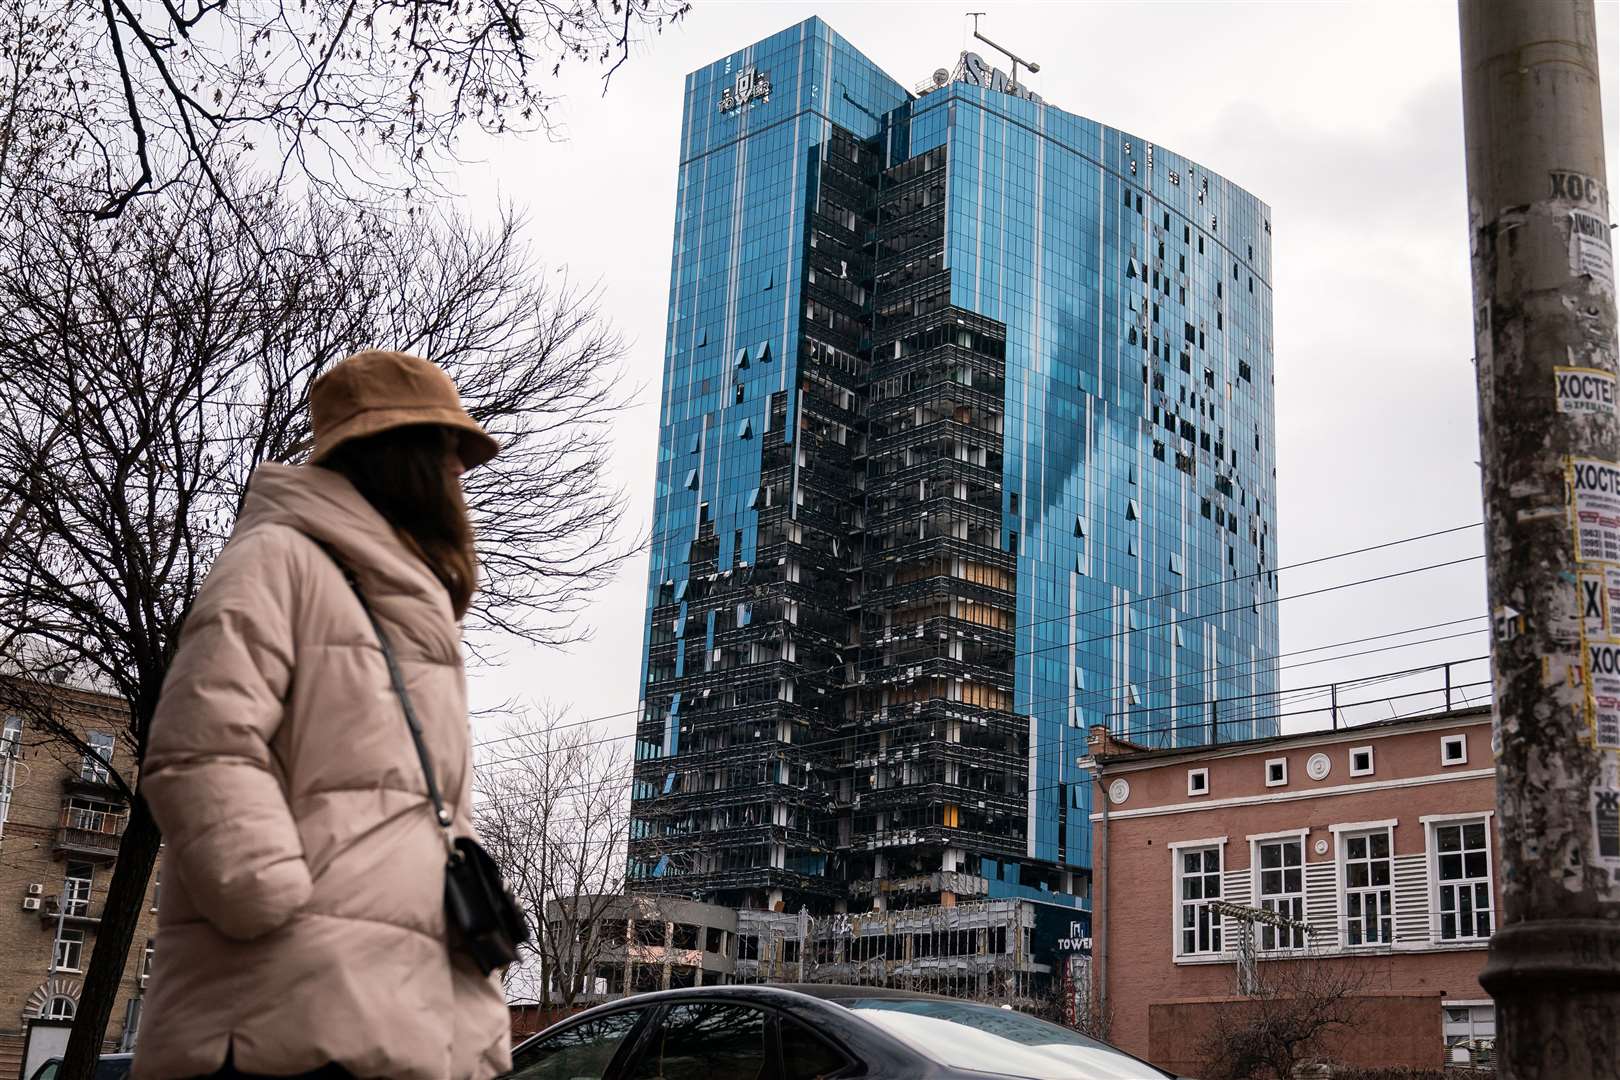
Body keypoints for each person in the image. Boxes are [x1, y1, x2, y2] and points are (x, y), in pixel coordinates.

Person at [132, 351, 512, 1080]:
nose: (460, 476)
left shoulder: (409, 604)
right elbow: (199, 747)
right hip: (293, 1008)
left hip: (392, 1007)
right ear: (403, 456)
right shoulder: (280, 558)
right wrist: (271, 901)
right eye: (448, 451)